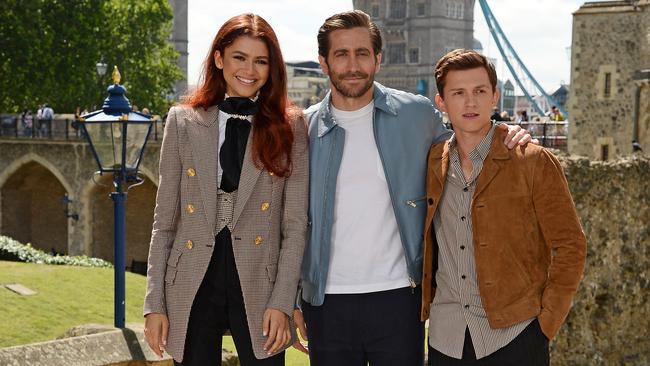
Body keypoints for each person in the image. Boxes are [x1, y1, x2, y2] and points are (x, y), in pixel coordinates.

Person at [292, 10, 532, 366]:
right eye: (341, 54)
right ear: (324, 63)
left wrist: (505, 132)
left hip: (400, 298)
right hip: (327, 301)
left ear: (378, 59)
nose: (352, 64)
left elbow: (467, 149)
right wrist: (294, 298)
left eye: (362, 53)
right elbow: (290, 222)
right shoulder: (300, 130)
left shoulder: (418, 114)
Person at [143, 13, 309, 366]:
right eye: (239, 57)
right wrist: (154, 304)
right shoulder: (182, 121)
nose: (250, 69)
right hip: (191, 275)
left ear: (272, 68)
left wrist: (283, 301)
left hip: (260, 281)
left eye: (261, 61)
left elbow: (294, 227)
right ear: (219, 59)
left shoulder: (291, 126)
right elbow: (164, 223)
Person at [422, 49, 586, 365]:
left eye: (480, 91)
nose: (470, 102)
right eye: (458, 93)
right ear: (441, 102)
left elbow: (571, 245)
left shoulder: (532, 161)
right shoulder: (431, 162)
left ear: (495, 96)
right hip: (446, 338)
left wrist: (545, 325)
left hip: (516, 337)